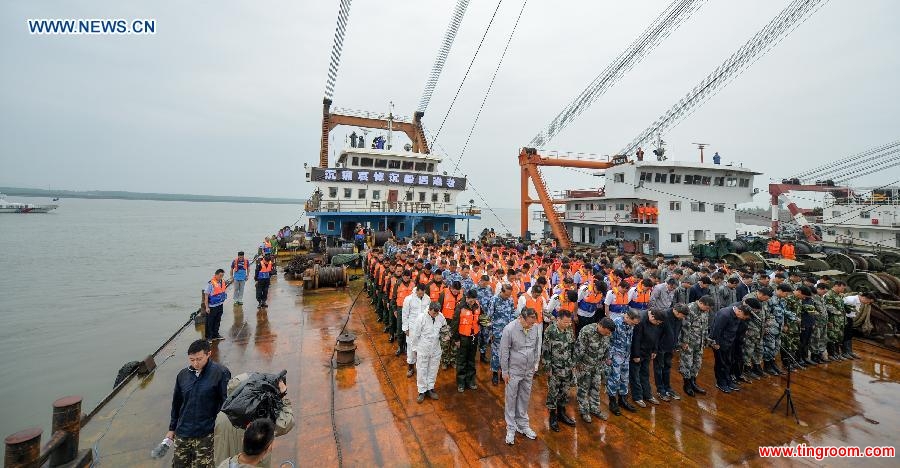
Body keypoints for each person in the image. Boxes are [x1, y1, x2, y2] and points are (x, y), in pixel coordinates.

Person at [166, 339, 231, 468]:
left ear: (208, 354)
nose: (195, 363)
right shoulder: (182, 375)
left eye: (199, 359)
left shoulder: (221, 373)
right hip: (183, 432)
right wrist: (172, 428)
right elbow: (177, 404)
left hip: (206, 433)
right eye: (192, 359)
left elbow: (226, 403)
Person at [213, 373, 293, 468]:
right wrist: (283, 396)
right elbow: (285, 424)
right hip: (254, 463)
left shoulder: (222, 414)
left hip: (228, 462)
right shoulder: (259, 420)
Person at [500, 308, 543, 445]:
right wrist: (505, 371)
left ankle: (523, 425)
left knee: (524, 397)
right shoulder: (509, 329)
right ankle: (511, 428)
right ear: (521, 318)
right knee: (511, 398)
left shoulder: (535, 327)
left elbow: (536, 347)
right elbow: (504, 351)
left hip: (528, 370)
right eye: (529, 323)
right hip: (514, 370)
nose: (531, 326)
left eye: (533, 323)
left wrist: (535, 365)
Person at [541, 310, 576, 432]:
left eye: (569, 322)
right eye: (565, 322)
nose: (568, 324)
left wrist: (573, 364)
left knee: (565, 391)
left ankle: (561, 413)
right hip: (555, 368)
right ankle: (552, 416)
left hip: (567, 367)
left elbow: (572, 347)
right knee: (553, 392)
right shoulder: (550, 331)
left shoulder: (569, 330)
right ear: (558, 319)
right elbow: (545, 350)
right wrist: (547, 367)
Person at [575, 317, 614, 422]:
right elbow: (579, 349)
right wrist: (577, 363)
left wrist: (606, 358)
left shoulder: (607, 333)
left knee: (596, 388)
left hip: (598, 366)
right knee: (583, 389)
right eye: (606, 332)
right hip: (585, 365)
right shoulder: (586, 331)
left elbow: (607, 347)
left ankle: (594, 408)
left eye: (609, 333)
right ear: (600, 326)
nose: (608, 335)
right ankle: (584, 411)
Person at [409, 302, 448, 403]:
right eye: (434, 313)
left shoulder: (440, 317)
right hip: (423, 348)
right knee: (422, 369)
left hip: (435, 348)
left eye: (437, 313)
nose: (436, 315)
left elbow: (444, 330)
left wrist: (445, 337)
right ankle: (422, 391)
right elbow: (415, 335)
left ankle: (430, 388)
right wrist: (414, 349)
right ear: (429, 310)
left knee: (433, 369)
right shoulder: (421, 318)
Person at [710, 304, 753, 393]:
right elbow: (716, 329)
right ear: (740, 311)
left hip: (730, 343)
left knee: (728, 362)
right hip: (720, 344)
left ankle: (727, 380)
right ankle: (721, 383)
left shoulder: (738, 315)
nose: (743, 319)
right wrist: (715, 343)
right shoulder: (724, 314)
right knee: (721, 364)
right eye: (743, 317)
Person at [606, 309, 641, 415]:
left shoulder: (631, 324)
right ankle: (612, 402)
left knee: (625, 379)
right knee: (614, 379)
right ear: (627, 317)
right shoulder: (615, 323)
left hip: (626, 356)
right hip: (615, 356)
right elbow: (609, 341)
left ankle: (623, 400)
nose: (634, 325)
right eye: (633, 323)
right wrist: (609, 357)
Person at [680, 296, 714, 397]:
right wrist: (684, 342)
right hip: (689, 343)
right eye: (707, 308)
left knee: (697, 364)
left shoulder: (705, 311)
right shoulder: (689, 309)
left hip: (699, 342)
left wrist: (706, 340)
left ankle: (693, 383)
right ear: (701, 303)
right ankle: (687, 385)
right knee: (687, 364)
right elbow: (685, 327)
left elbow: (705, 326)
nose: (707, 310)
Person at [629, 310, 664, 407]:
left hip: (648, 352)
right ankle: (637, 397)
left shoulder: (657, 322)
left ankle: (647, 394)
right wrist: (636, 355)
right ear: (652, 317)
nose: (657, 324)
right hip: (638, 353)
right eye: (657, 322)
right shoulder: (640, 320)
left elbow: (656, 336)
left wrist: (655, 350)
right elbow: (636, 339)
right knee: (635, 375)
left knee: (645, 374)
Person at [450, 290, 482, 393]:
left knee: (471, 360)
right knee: (462, 360)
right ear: (467, 298)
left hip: (474, 337)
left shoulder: (477, 305)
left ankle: (470, 381)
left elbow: (481, 317)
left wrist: (484, 322)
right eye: (471, 300)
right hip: (463, 338)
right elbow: (454, 324)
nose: (472, 302)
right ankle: (461, 383)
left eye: (474, 300)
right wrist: (456, 339)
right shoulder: (460, 306)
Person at [655, 304, 687, 401]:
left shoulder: (679, 318)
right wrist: (655, 349)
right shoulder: (664, 315)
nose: (683, 318)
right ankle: (660, 390)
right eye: (682, 315)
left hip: (670, 347)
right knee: (659, 369)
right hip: (660, 348)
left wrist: (677, 345)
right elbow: (656, 333)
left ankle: (668, 388)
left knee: (667, 368)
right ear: (676, 311)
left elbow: (677, 332)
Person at [487, 284, 516, 385]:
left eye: (509, 295)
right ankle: (495, 373)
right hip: (497, 332)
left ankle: (503, 373)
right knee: (496, 354)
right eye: (506, 295)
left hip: (508, 332)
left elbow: (513, 314)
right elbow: (489, 317)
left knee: (507, 353)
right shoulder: (494, 300)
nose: (508, 297)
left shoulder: (510, 300)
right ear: (502, 292)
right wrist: (490, 333)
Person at [402, 284, 431, 377]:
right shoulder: (408, 299)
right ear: (417, 290)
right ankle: (410, 367)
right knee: (411, 347)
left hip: (423, 328)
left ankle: (421, 368)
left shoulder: (427, 299)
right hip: (412, 327)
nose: (422, 294)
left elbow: (429, 314)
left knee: (422, 348)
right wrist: (406, 328)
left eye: (423, 293)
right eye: (420, 293)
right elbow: (405, 314)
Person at [842, 292, 875, 359]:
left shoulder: (859, 302)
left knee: (849, 335)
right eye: (869, 302)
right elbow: (838, 307)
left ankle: (849, 351)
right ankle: (844, 352)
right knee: (844, 335)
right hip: (843, 318)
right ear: (865, 298)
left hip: (850, 318)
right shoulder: (850, 299)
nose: (868, 303)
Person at [204, 269, 230, 342]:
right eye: (220, 275)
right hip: (212, 306)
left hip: (220, 305)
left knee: (218, 320)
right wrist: (207, 307)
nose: (221, 277)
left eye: (222, 276)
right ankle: (209, 337)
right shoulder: (210, 284)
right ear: (216, 275)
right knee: (210, 322)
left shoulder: (222, 282)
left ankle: (216, 334)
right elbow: (206, 295)